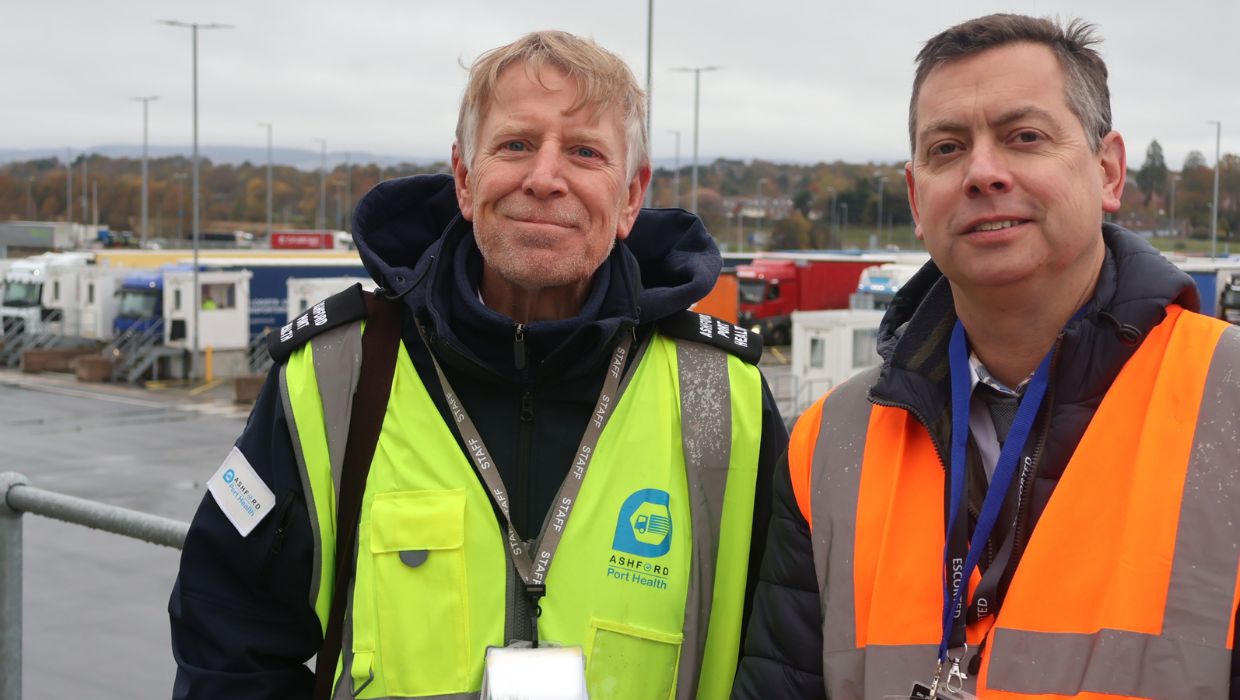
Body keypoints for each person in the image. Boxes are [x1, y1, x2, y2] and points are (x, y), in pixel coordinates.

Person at [169, 30, 786, 699]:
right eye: (516, 144)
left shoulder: (724, 397)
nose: (544, 179)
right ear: (465, 178)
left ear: (631, 196)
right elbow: (228, 637)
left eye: (584, 152)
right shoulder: (338, 375)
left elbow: (788, 663)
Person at [734, 14, 1240, 699]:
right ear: (917, 199)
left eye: (1024, 137)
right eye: (947, 148)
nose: (982, 172)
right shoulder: (829, 444)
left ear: (1108, 170)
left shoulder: (1227, 401)